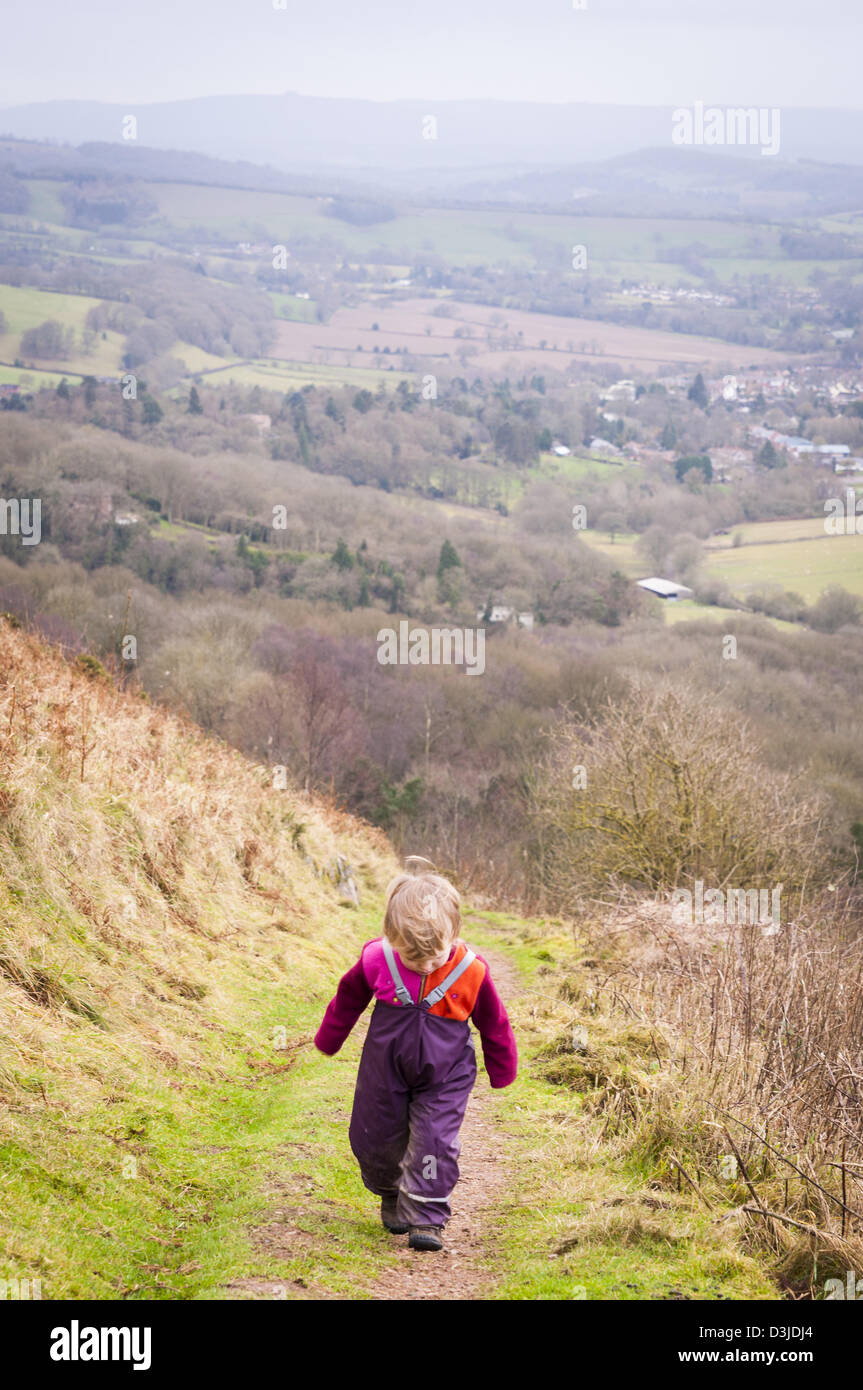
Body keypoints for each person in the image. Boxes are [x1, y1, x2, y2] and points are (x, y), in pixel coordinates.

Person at [314, 868, 517, 1251]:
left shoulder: (471, 971)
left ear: (453, 935)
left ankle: (425, 1216)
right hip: (384, 1066)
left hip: (447, 1073)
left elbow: (495, 1023)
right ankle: (391, 1192)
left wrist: (502, 1069)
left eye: (433, 956)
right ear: (392, 938)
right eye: (412, 956)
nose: (424, 965)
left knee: (435, 1141)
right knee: (375, 1136)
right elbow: (348, 998)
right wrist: (329, 1038)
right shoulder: (377, 959)